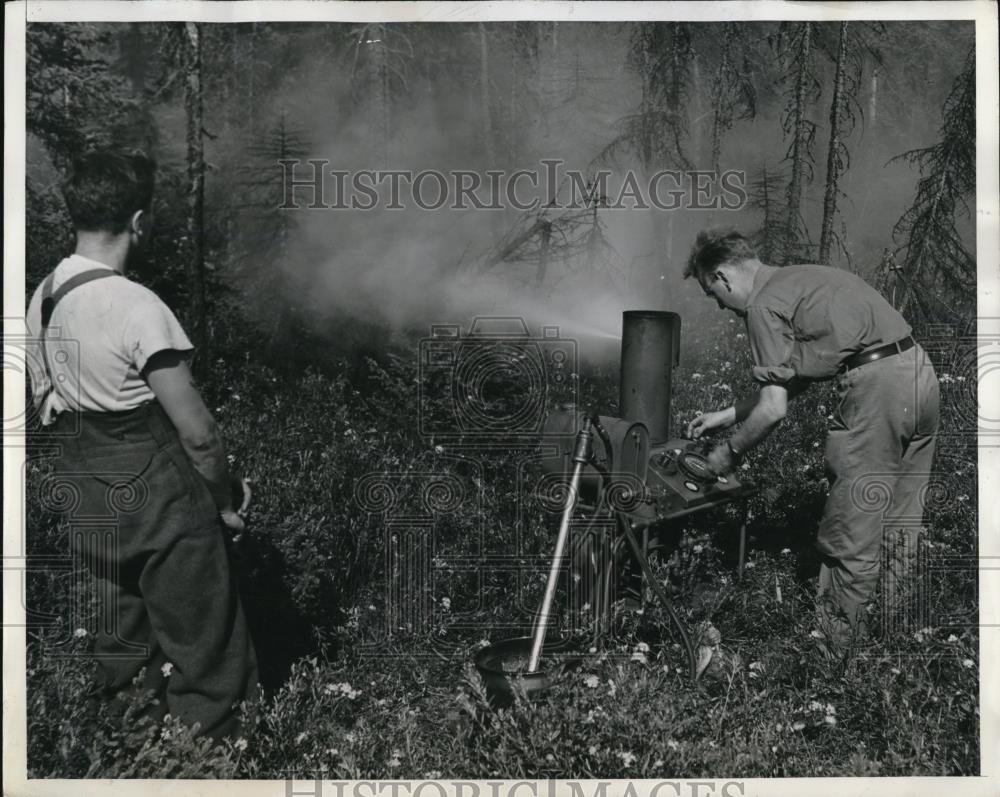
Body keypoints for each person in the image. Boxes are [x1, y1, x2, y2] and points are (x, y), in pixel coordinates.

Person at [25, 149, 259, 740]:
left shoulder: (44, 295)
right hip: (156, 494)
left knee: (123, 635)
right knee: (206, 640)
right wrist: (223, 501)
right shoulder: (136, 305)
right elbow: (198, 432)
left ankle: (130, 748)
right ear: (138, 222)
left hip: (83, 490)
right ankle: (211, 754)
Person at [683, 228, 940, 653]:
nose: (722, 307)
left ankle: (833, 658)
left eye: (713, 294)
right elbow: (794, 378)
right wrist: (727, 415)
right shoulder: (803, 277)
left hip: (878, 393)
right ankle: (895, 637)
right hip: (918, 374)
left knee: (850, 528)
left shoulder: (763, 305)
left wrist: (725, 455)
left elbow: (773, 409)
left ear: (723, 277)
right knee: (899, 517)